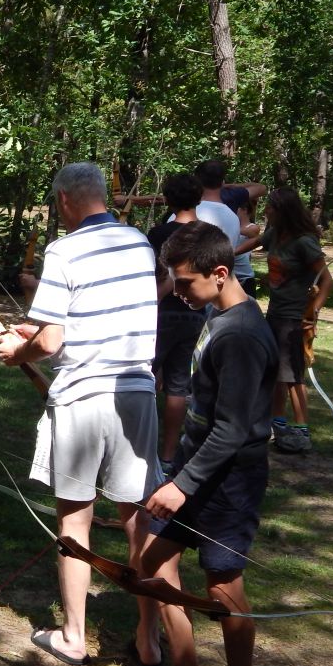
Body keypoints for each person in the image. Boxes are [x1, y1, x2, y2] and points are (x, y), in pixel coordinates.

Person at [0, 162, 161, 666]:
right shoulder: (138, 240)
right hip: (137, 392)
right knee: (136, 519)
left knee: (76, 518)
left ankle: (72, 636)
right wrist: (34, 337)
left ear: (65, 201)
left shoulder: (64, 249)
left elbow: (51, 341)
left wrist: (16, 352)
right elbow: (94, 317)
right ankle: (150, 640)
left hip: (84, 398)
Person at [128, 221, 277, 666]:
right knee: (151, 562)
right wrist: (180, 472)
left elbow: (235, 428)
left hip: (229, 482)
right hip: (197, 472)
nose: (179, 292)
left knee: (223, 588)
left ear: (220, 272)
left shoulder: (240, 333)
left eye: (186, 283)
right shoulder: (218, 312)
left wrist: (181, 484)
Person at [241, 188, 333, 453]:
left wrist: (312, 313)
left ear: (283, 210)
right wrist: (225, 254)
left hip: (294, 318)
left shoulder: (304, 242)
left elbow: (326, 280)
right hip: (276, 314)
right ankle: (277, 424)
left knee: (292, 374)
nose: (266, 210)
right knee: (277, 371)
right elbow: (254, 243)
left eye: (270, 206)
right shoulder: (277, 234)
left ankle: (302, 431)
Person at [147, 174, 207, 474]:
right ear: (198, 199)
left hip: (160, 313)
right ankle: (168, 457)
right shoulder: (209, 234)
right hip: (195, 314)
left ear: (168, 200)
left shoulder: (159, 234)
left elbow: (150, 275)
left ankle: (140, 451)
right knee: (178, 384)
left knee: (145, 378)